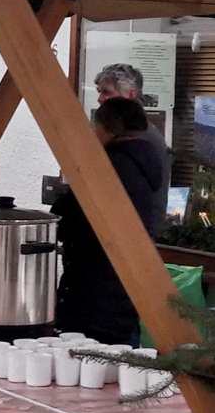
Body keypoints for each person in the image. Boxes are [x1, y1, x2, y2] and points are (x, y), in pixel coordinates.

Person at [53, 98, 170, 345]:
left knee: (91, 361)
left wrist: (69, 188)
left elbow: (66, 221)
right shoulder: (141, 162)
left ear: (107, 128)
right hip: (124, 287)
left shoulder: (107, 167)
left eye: (95, 127)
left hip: (93, 292)